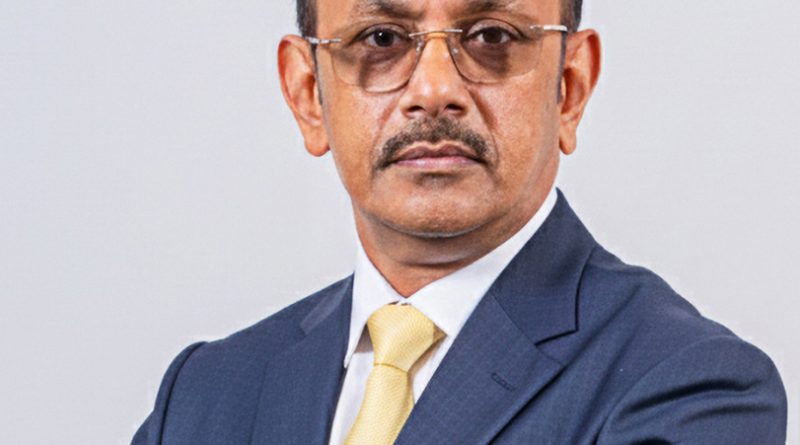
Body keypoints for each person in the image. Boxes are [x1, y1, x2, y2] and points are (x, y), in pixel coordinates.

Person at [133, 0, 787, 443]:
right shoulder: (204, 396)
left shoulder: (691, 389)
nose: (434, 90)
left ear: (570, 86)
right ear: (309, 95)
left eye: (491, 37)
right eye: (382, 39)